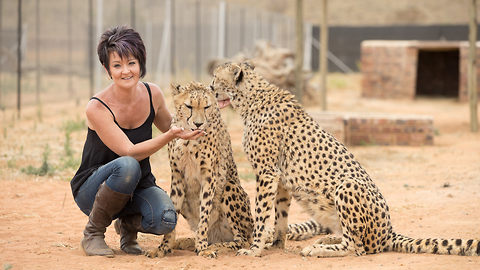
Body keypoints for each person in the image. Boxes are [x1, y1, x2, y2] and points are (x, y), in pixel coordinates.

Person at [70, 25, 205, 258]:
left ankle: (127, 226)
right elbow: (129, 151)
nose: (126, 71)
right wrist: (171, 135)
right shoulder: (97, 107)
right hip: (93, 190)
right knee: (128, 164)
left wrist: (199, 116)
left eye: (131, 63)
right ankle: (93, 233)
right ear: (107, 69)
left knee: (166, 219)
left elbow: (171, 124)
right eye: (117, 65)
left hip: (137, 186)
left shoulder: (153, 94)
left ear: (141, 63)